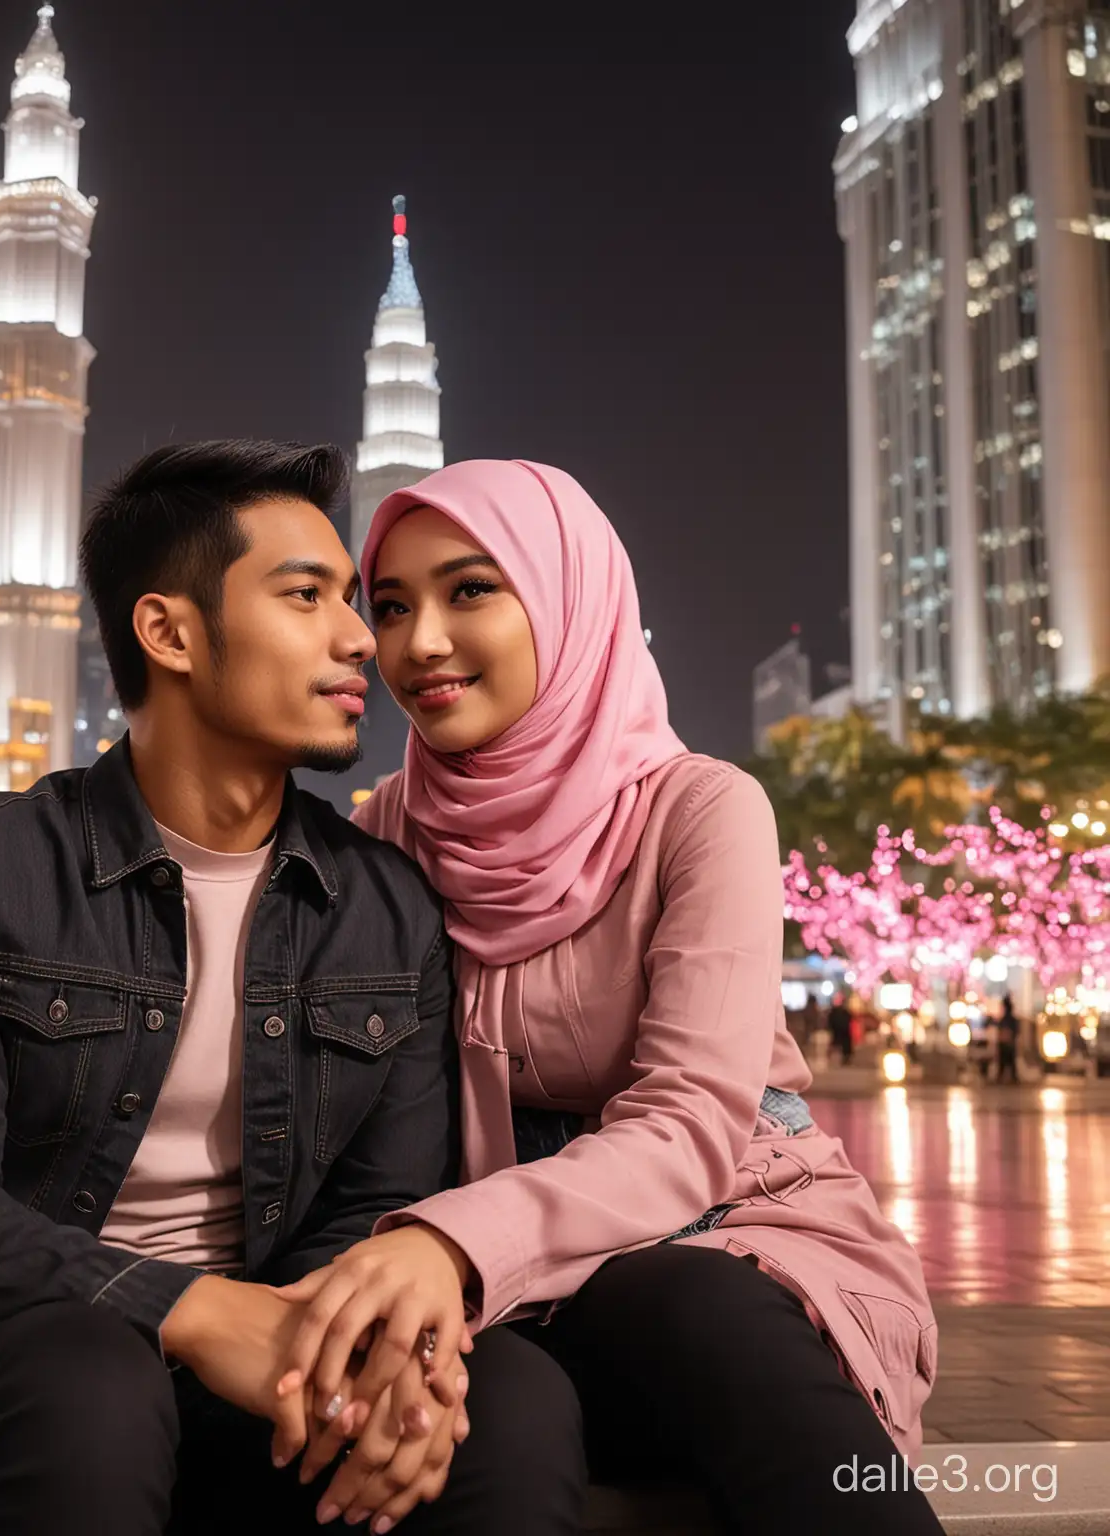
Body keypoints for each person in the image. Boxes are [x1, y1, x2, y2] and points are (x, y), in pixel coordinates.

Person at [0, 442, 586, 1536]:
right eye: (306, 596)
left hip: (268, 1384)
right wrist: (182, 1308)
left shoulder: (386, 903)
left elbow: (369, 1215)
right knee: (91, 1381)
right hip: (16, 1380)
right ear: (168, 632)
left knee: (510, 1399)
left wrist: (356, 1360)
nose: (362, 639)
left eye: (350, 601)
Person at [273, 460, 943, 1535]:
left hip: (730, 1234)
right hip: (502, 1292)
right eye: (390, 607)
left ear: (569, 599)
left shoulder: (701, 810)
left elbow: (686, 1129)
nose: (421, 642)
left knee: (682, 1297)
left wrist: (445, 1242)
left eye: (472, 590)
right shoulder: (382, 835)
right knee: (503, 1412)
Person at [995, 993, 1021, 1084]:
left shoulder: (1005, 1020)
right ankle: (1011, 1078)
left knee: (1005, 1062)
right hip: (1008, 1043)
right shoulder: (1009, 1020)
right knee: (1008, 1062)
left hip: (1006, 1043)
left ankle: (1005, 1077)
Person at [828, 992, 855, 1066]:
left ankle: (845, 1059)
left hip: (843, 1032)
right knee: (837, 1044)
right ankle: (839, 1059)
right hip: (839, 1031)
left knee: (843, 1045)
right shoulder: (835, 1012)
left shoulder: (843, 1011)